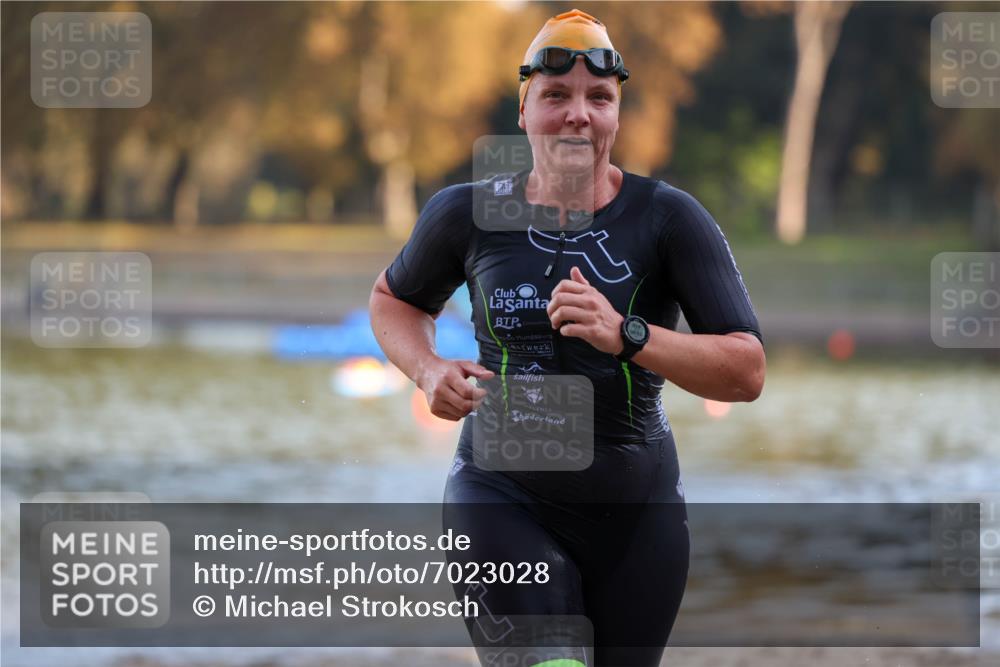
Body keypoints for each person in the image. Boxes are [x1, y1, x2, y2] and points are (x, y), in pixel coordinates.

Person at [369, 9, 765, 667]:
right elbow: (393, 300)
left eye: (599, 98)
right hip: (500, 499)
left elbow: (745, 370)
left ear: (616, 116)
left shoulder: (669, 219)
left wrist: (626, 334)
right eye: (556, 95)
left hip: (639, 518)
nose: (578, 114)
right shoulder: (465, 213)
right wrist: (427, 367)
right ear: (524, 111)